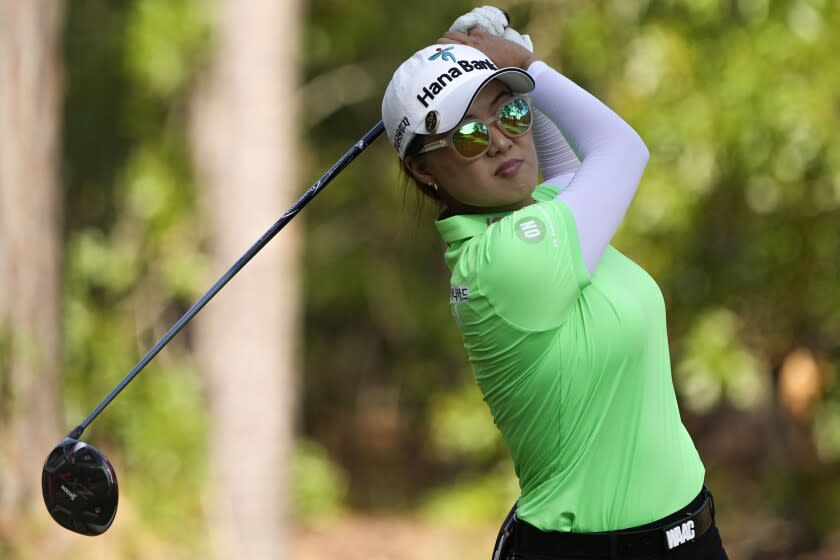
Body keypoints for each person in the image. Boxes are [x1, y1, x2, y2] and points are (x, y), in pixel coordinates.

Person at [380, 9, 729, 560]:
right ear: (425, 171)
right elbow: (621, 151)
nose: (499, 142)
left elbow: (567, 166)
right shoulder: (504, 260)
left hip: (692, 540)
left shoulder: (539, 216)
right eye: (468, 136)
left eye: (510, 114)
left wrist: (506, 55)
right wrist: (525, 64)